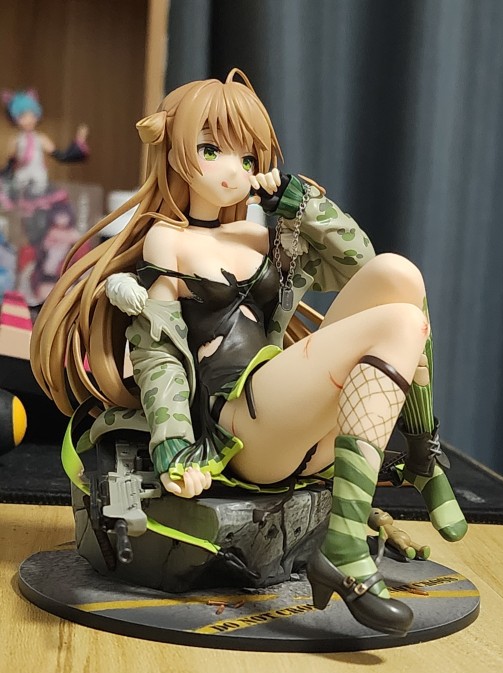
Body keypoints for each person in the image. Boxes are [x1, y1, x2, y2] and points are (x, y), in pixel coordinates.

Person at [30, 69, 467, 637]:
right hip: (242, 426)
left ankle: (424, 456)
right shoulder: (168, 240)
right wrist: (172, 444)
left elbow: (359, 262)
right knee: (400, 322)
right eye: (211, 150)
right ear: (174, 148)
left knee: (399, 274)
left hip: (291, 414)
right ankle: (344, 548)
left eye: (246, 155)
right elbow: (159, 350)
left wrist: (302, 204)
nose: (232, 168)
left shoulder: (262, 236)